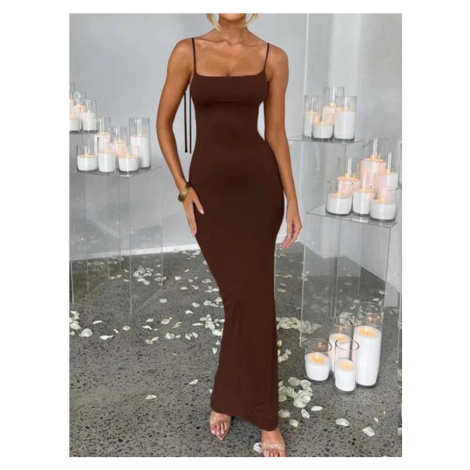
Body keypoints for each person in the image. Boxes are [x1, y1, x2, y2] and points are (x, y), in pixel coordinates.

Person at [156, 13, 302, 458]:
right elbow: (162, 123)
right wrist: (183, 189)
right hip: (212, 195)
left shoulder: (274, 57)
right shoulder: (188, 51)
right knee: (240, 299)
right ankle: (232, 395)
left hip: (260, 190)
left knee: (253, 300)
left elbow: (275, 135)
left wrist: (292, 200)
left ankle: (263, 416)